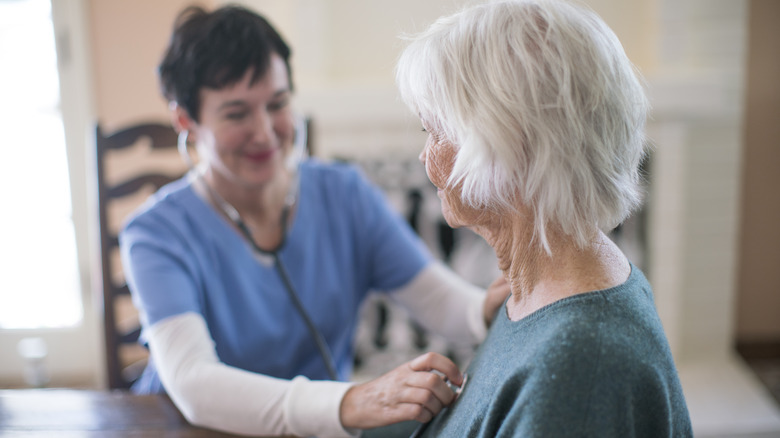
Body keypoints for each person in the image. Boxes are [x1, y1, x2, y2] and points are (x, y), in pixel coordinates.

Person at [119, 5, 510, 438]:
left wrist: (484, 309)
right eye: (236, 114)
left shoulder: (344, 194)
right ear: (186, 121)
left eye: (277, 104)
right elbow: (194, 383)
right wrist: (352, 401)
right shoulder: (154, 233)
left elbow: (436, 300)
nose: (265, 132)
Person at [395, 0, 693, 436]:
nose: (425, 155)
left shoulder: (581, 362)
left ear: (507, 146)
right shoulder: (538, 291)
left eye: (434, 130)